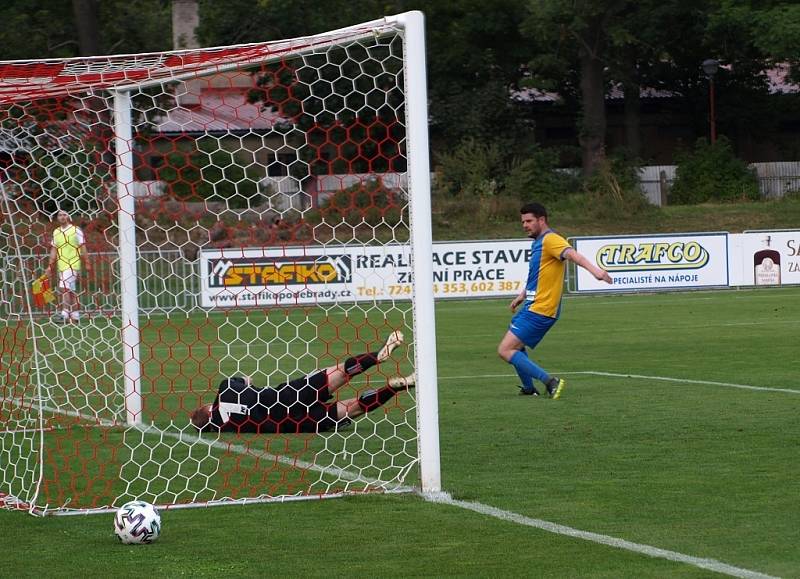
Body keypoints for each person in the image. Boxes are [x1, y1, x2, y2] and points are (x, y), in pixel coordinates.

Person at [191, 330, 415, 434]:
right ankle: (377, 356)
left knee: (351, 409)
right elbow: (247, 379)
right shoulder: (225, 388)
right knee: (338, 374)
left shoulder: (225, 428)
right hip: (284, 396)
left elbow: (215, 424)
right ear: (207, 406)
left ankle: (395, 387)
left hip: (292, 424)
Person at [497, 202, 612, 398]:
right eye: (523, 221)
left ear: (542, 220)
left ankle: (550, 382)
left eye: (529, 221)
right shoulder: (538, 242)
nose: (525, 225)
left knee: (505, 350)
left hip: (541, 309)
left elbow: (573, 255)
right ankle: (528, 388)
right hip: (531, 306)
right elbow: (539, 275)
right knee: (517, 345)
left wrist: (597, 272)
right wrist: (522, 295)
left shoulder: (551, 240)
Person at [47, 209, 91, 323]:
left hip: (73, 264)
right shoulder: (56, 232)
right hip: (62, 265)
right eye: (60, 215)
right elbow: (54, 249)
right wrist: (50, 266)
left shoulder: (75, 230)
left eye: (64, 214)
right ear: (57, 218)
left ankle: (64, 314)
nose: (62, 217)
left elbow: (83, 246)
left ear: (68, 217)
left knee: (64, 288)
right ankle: (75, 316)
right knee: (70, 291)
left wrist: (87, 262)